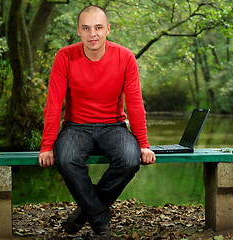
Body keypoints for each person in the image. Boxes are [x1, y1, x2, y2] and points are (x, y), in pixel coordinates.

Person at [38, 5, 156, 238]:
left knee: (129, 159)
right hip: (76, 126)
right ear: (79, 32)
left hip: (113, 126)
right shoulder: (65, 56)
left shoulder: (125, 57)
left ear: (108, 29)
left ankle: (84, 213)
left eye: (98, 27)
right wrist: (47, 145)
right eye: (86, 28)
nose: (93, 33)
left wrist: (143, 143)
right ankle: (100, 220)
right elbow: (53, 103)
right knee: (66, 158)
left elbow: (134, 103)